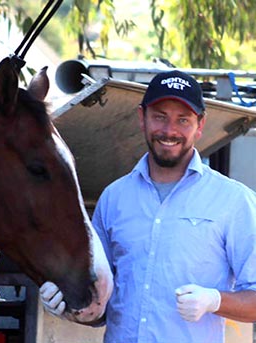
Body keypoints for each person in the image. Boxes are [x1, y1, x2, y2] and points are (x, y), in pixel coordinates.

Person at [40, 70, 256, 343]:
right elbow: (101, 303)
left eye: (183, 120)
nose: (169, 131)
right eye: (160, 117)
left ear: (200, 125)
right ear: (142, 118)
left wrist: (215, 300)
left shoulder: (234, 201)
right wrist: (67, 303)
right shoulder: (114, 199)